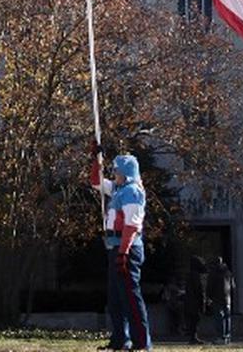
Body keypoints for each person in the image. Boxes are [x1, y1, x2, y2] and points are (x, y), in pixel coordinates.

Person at [91, 149, 152, 350]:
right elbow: (96, 182)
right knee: (116, 298)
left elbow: (131, 225)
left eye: (117, 171)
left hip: (127, 249)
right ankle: (120, 340)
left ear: (126, 173)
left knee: (130, 297)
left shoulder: (132, 191)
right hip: (115, 247)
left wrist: (124, 252)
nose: (114, 174)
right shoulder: (118, 189)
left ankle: (141, 342)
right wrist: (95, 160)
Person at [206, 256, 234, 343]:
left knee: (219, 318)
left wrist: (209, 297)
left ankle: (220, 337)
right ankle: (227, 336)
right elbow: (233, 287)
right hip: (227, 298)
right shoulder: (228, 273)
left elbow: (209, 287)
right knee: (227, 317)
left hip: (217, 298)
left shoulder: (213, 273)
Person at [185, 256, 208, 343]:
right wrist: (203, 302)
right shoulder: (196, 276)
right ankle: (193, 337)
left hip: (189, 301)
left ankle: (193, 337)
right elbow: (199, 290)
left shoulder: (189, 275)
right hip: (194, 302)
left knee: (192, 320)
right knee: (195, 320)